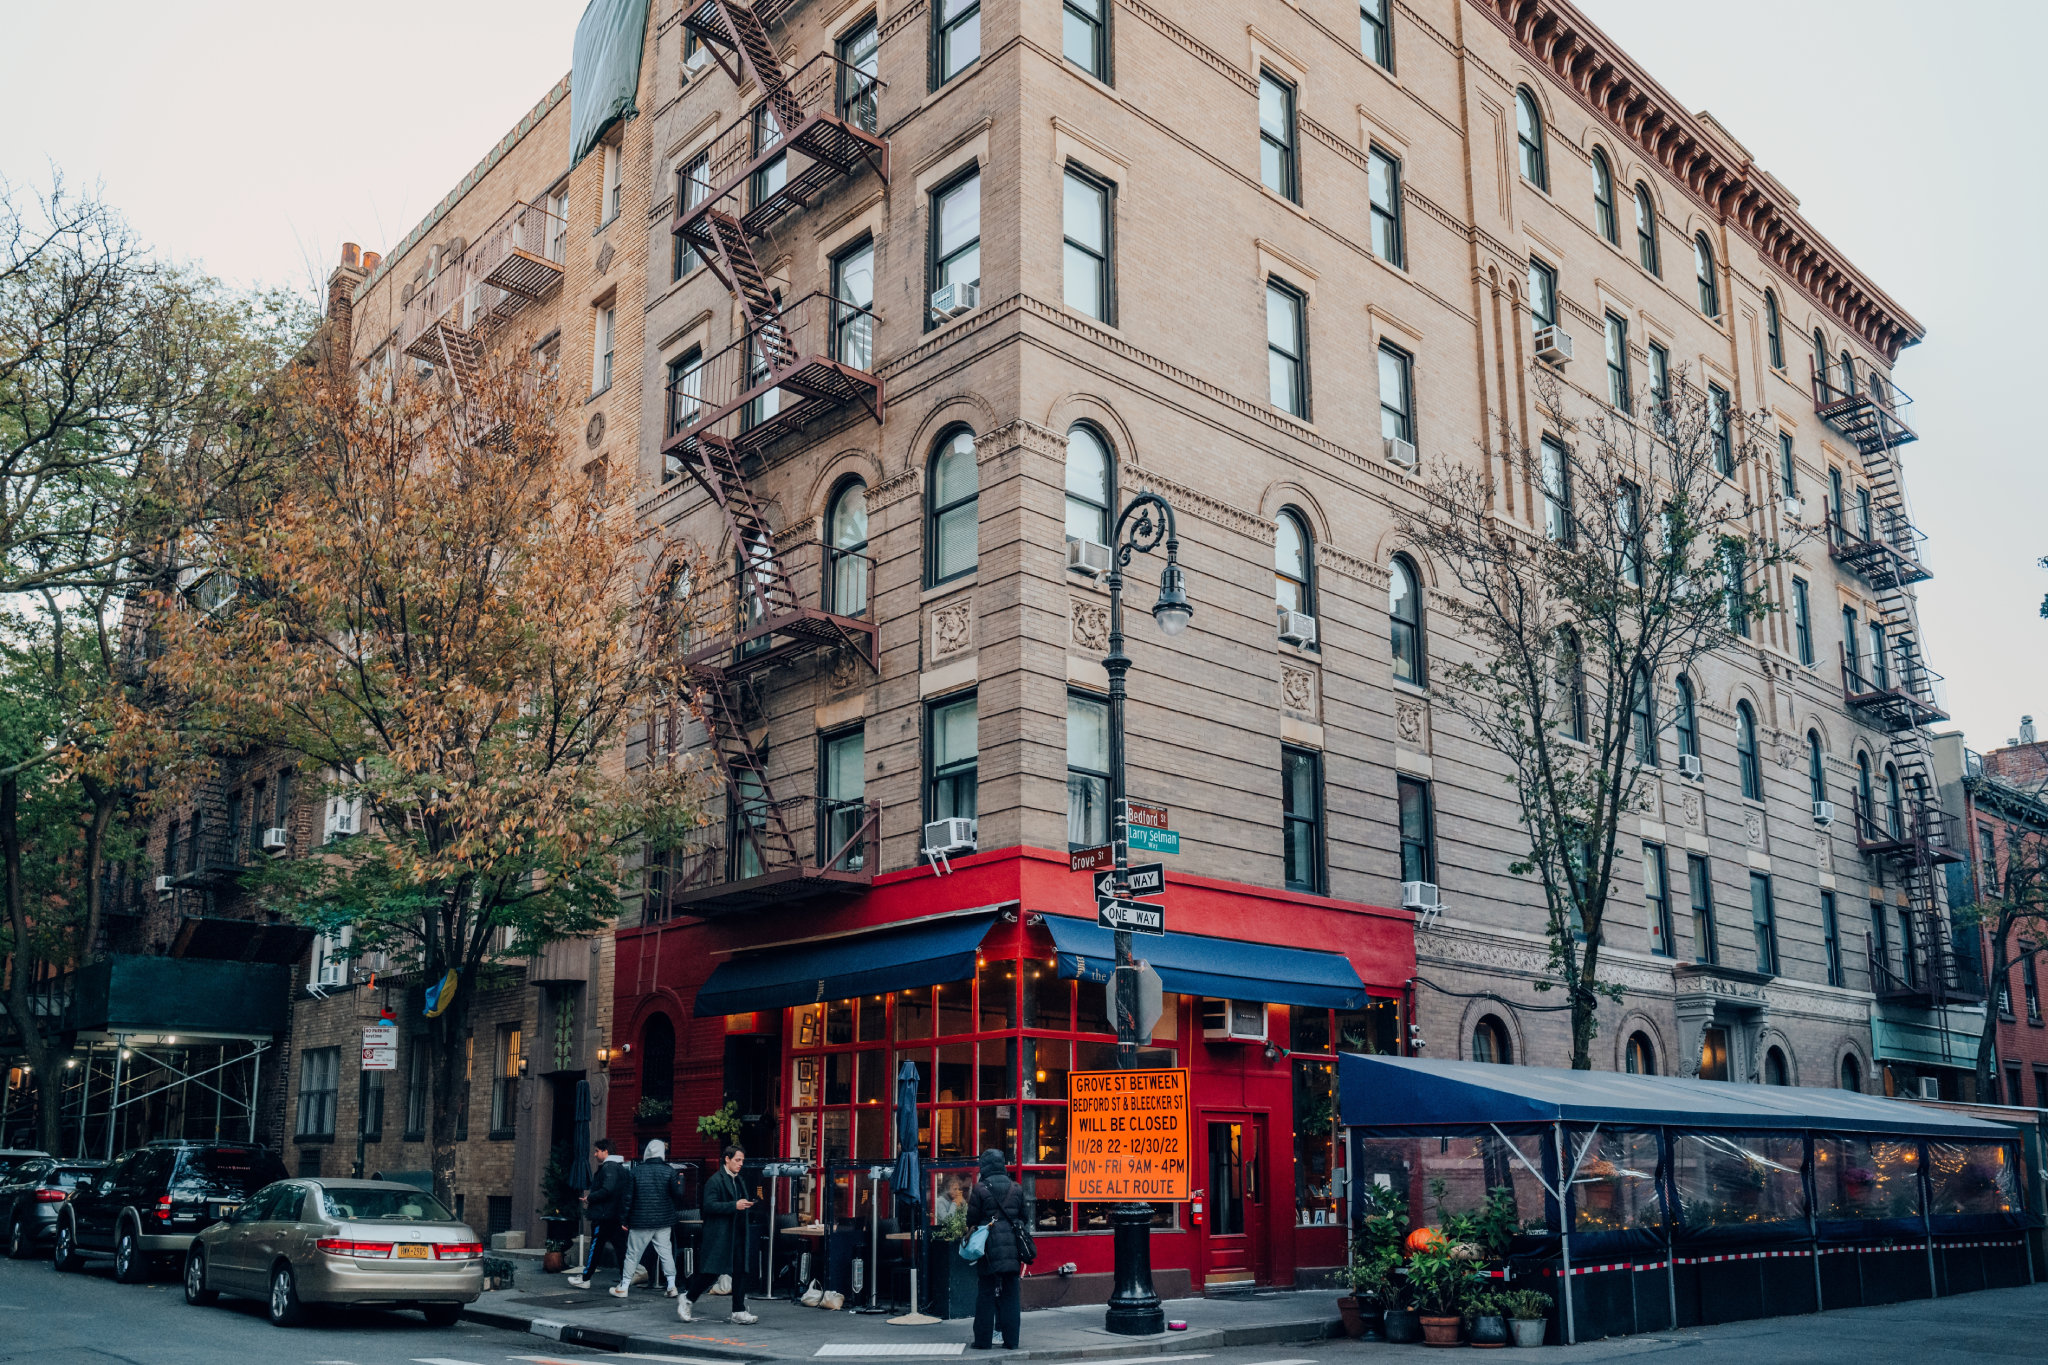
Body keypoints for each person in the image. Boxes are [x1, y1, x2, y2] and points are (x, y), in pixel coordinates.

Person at [678, 1144, 757, 1324]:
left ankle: (738, 1310)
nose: (740, 1164)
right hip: (720, 1234)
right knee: (711, 1272)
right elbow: (708, 1205)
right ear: (727, 1159)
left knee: (739, 1271)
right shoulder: (715, 1181)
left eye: (742, 1161)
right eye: (737, 1160)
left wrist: (744, 1204)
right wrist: (734, 1206)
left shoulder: (738, 1180)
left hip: (737, 1232)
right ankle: (688, 1298)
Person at [966, 1148, 1024, 1350]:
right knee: (1010, 1294)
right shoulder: (1016, 1188)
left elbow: (971, 1220)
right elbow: (1023, 1217)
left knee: (986, 1293)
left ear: (985, 1165)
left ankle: (982, 1341)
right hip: (1012, 1249)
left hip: (988, 1248)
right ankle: (1012, 1341)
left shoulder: (980, 1189)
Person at [613, 1138, 685, 1299]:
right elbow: (678, 1194)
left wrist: (624, 1220)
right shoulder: (669, 1171)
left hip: (640, 1220)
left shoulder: (635, 1171)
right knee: (666, 1252)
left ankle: (624, 1286)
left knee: (632, 1254)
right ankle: (672, 1286)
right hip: (663, 1221)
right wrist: (681, 1181)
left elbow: (628, 1199)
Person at [568, 1137, 629, 1290]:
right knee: (621, 1249)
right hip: (615, 1215)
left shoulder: (609, 1167)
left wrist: (590, 1197)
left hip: (603, 1215)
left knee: (596, 1247)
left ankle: (586, 1278)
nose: (595, 1154)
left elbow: (607, 1189)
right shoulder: (622, 1168)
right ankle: (625, 1280)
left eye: (597, 1151)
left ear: (605, 1151)